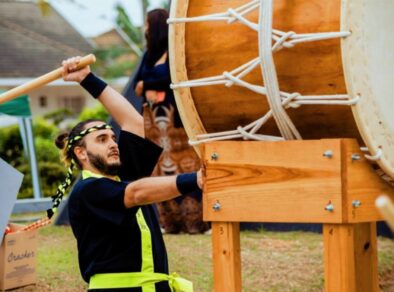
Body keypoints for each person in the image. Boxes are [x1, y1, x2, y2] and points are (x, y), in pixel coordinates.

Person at [54, 57, 199, 291]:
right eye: (102, 140)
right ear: (81, 153)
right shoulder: (87, 190)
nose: (113, 143)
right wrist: (196, 179)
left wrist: (87, 79)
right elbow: (136, 193)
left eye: (113, 137)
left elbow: (134, 123)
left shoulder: (124, 176)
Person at [134, 8, 209, 234]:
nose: (145, 29)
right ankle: (171, 222)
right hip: (156, 126)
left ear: (156, 26)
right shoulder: (150, 55)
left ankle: (196, 222)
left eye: (148, 24)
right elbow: (141, 79)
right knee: (161, 169)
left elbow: (171, 77)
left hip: (176, 123)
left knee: (186, 166)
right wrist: (148, 84)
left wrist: (147, 85)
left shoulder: (175, 50)